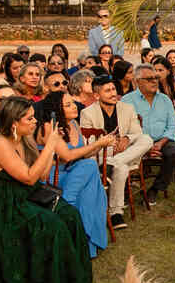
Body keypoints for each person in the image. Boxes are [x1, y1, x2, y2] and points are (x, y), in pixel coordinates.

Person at [0, 97, 94, 283]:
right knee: (52, 225)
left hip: (26, 195)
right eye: (30, 118)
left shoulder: (24, 139)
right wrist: (50, 144)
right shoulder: (0, 144)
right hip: (5, 206)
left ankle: (72, 281)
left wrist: (49, 149)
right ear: (14, 122)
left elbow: (41, 175)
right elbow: (29, 177)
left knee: (70, 215)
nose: (35, 121)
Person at [35, 91, 115, 258]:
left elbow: (81, 154)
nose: (74, 107)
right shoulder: (50, 126)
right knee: (90, 168)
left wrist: (101, 145)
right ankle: (69, 204)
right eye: (68, 104)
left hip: (74, 172)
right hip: (52, 175)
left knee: (89, 171)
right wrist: (98, 143)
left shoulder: (74, 124)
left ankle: (84, 242)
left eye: (73, 102)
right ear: (57, 109)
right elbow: (67, 156)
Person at [80, 75, 153, 230]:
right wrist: (109, 143)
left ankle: (113, 164)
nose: (113, 93)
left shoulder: (127, 108)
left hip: (124, 151)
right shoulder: (87, 113)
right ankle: (116, 213)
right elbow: (90, 144)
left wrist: (126, 138)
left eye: (113, 89)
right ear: (97, 95)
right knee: (122, 168)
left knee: (146, 139)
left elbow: (137, 131)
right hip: (101, 153)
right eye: (107, 91)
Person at [122, 63, 175, 205]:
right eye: (149, 79)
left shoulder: (165, 100)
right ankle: (125, 191)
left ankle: (155, 189)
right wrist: (145, 146)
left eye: (156, 78)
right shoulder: (127, 101)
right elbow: (124, 129)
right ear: (137, 82)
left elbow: (173, 126)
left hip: (162, 140)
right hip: (137, 142)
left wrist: (160, 143)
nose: (154, 81)